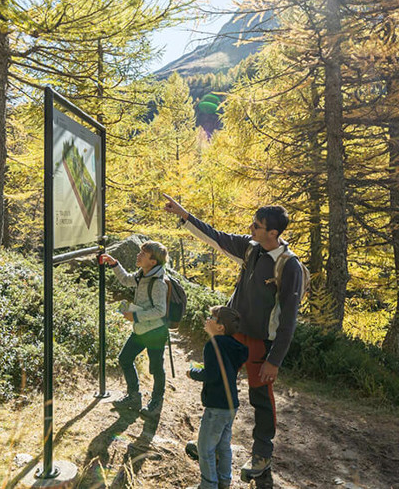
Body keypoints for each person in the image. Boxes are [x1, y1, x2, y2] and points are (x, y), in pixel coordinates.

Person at [163, 194, 304, 482]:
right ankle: (210, 442)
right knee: (219, 384)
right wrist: (185, 216)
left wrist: (274, 360)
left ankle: (262, 455)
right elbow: (217, 238)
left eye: (258, 225)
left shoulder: (290, 267)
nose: (251, 228)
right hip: (234, 334)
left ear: (273, 233)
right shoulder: (250, 248)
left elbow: (289, 319)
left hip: (261, 343)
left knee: (260, 397)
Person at [99, 241, 170, 417]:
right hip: (140, 330)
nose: (138, 255)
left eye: (143, 254)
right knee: (124, 358)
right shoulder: (141, 274)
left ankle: (156, 402)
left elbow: (161, 311)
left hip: (155, 332)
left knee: (155, 368)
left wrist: (136, 316)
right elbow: (125, 279)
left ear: (153, 261)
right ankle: (134, 396)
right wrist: (114, 263)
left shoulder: (158, 282)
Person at [187, 306, 248, 489]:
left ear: (220, 327)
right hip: (230, 405)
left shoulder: (212, 345)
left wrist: (193, 373)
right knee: (224, 446)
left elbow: (212, 375)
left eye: (211, 318)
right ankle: (224, 481)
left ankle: (208, 485)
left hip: (216, 406)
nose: (207, 320)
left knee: (205, 448)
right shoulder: (235, 347)